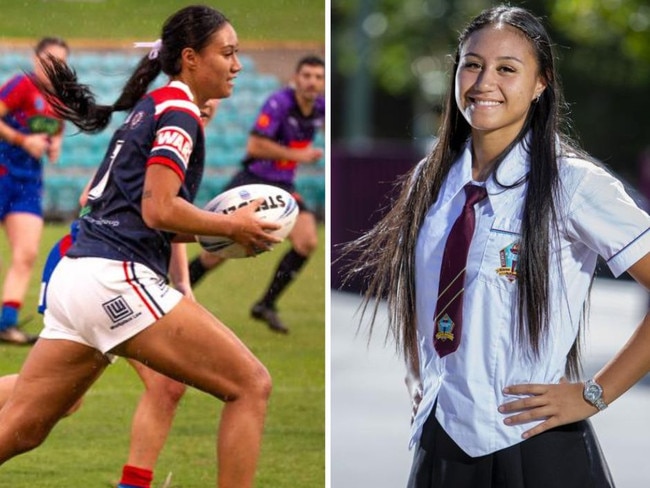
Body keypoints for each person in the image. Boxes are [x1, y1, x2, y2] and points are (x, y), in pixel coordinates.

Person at [342, 5, 650, 487]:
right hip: (442, 443)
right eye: (472, 64)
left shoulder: (572, 184)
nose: (484, 81)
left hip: (534, 444)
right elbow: (420, 293)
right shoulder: (433, 177)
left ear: (540, 83)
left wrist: (593, 393)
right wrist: (421, 379)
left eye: (507, 68)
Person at [0, 6, 281, 488]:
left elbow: (140, 212)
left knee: (24, 429)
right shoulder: (180, 112)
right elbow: (159, 210)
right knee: (250, 385)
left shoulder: (154, 105)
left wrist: (225, 231)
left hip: (78, 274)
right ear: (191, 58)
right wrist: (230, 227)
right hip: (115, 277)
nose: (236, 65)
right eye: (228, 53)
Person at [188, 55, 325, 333]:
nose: (312, 82)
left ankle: (266, 304)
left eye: (318, 77)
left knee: (307, 241)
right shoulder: (279, 103)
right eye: (307, 76)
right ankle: (175, 294)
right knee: (216, 253)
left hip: (284, 186)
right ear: (296, 79)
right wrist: (296, 154)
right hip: (253, 181)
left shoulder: (321, 107)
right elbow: (254, 146)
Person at [0, 36, 69, 345]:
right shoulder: (20, 85)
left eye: (60, 61)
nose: (54, 67)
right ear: (35, 59)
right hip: (2, 173)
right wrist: (21, 140)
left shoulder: (60, 100)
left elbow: (57, 134)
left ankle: (5, 324)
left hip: (28, 181)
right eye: (48, 59)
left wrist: (54, 147)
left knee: (27, 252)